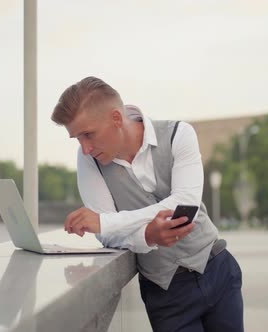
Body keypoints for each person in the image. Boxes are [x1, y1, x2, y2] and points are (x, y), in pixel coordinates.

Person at [51, 76, 244, 332]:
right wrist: (146, 236)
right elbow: (108, 237)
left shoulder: (179, 134)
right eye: (77, 139)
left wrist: (106, 222)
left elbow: (185, 202)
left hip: (217, 269)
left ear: (116, 119)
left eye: (88, 134)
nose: (85, 148)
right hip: (166, 295)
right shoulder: (89, 160)